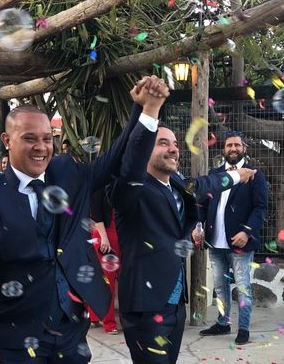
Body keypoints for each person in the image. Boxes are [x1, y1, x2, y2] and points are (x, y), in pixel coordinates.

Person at [0, 76, 169, 364]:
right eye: (29, 138)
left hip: (70, 329)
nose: (41, 147)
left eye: (46, 139)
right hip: (17, 332)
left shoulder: (67, 173)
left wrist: (141, 109)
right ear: (6, 141)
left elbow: (116, 160)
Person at [110, 123, 257, 364]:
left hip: (175, 304)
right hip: (146, 307)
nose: (173, 149)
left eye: (176, 144)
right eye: (163, 143)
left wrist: (234, 176)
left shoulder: (175, 181)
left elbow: (200, 186)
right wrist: (147, 111)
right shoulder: (132, 188)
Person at [197, 130, 268, 345]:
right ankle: (223, 322)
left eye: (237, 145)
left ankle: (243, 328)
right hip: (215, 241)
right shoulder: (216, 173)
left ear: (244, 148)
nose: (233, 149)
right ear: (224, 149)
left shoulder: (255, 174)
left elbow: (260, 208)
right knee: (220, 287)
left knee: (243, 287)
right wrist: (199, 227)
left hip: (240, 243)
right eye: (229, 145)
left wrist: (247, 231)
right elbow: (203, 203)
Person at [87, 188, 121, 335]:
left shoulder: (122, 183)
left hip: (122, 234)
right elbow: (96, 213)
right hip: (104, 234)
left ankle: (94, 315)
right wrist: (104, 237)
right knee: (108, 279)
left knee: (119, 278)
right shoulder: (99, 185)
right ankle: (109, 322)